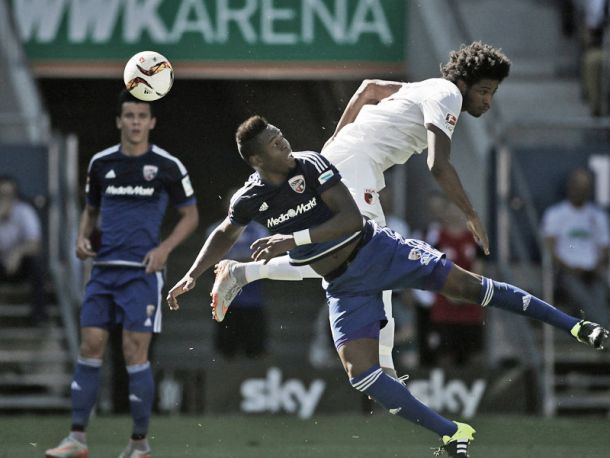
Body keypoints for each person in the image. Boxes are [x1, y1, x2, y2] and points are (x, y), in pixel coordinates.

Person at [167, 116, 608, 457]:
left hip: (379, 251)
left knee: (470, 288)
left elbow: (351, 219)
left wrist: (291, 239)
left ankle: (574, 326)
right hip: (343, 284)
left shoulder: (312, 165)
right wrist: (192, 273)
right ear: (258, 159)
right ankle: (454, 432)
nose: (286, 143)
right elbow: (225, 233)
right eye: (276, 143)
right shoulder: (251, 196)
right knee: (361, 374)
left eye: (283, 136)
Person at [210, 41, 510, 380]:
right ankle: (242, 274)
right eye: (484, 91)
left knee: (371, 261)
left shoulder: (422, 89)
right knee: (370, 258)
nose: (487, 101)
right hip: (355, 166)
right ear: (465, 83)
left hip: (351, 162)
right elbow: (438, 165)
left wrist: (334, 143)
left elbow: (368, 89)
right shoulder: (448, 95)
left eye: (492, 94)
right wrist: (471, 214)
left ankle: (385, 365)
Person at [45, 90, 199, 458]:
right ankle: (76, 439)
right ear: (119, 121)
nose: (135, 122)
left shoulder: (167, 165)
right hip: (103, 272)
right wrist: (82, 238)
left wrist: (164, 250)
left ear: (151, 122)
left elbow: (190, 215)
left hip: (141, 275)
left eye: (141, 116)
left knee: (134, 353)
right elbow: (91, 211)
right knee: (90, 347)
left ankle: (139, 444)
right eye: (129, 116)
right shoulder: (101, 164)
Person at [542, 167, 610, 327]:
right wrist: (570, 268)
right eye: (578, 187)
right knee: (581, 295)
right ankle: (605, 332)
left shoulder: (597, 216)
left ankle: (600, 333)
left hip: (593, 271)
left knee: (600, 293)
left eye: (585, 188)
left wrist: (598, 267)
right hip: (567, 272)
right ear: (570, 187)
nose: (581, 192)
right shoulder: (556, 214)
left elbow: (606, 248)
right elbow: (550, 248)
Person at [207, 189, 269, 360]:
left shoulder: (260, 231)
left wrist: (232, 262)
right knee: (226, 350)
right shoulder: (216, 231)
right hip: (225, 300)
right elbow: (212, 261)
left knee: (255, 350)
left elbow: (265, 258)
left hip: (253, 300)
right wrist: (243, 261)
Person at [427, 200, 484, 367]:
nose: (454, 215)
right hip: (444, 309)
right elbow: (433, 271)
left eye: (458, 211)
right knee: (444, 358)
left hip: (470, 309)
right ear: (444, 214)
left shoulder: (474, 239)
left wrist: (465, 293)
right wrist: (450, 293)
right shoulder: (436, 238)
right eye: (450, 210)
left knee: (474, 359)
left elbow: (478, 273)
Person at [0, 175, 47, 324]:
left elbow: (35, 243)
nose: (5, 199)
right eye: (1, 194)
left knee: (36, 262)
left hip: (19, 266)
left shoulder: (24, 211)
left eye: (9, 195)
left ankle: (38, 317)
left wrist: (17, 253)